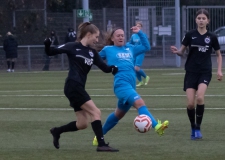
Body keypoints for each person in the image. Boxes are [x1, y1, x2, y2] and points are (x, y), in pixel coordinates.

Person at [45, 22, 119, 152]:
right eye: (96, 37)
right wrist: (47, 44)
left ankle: (57, 131)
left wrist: (113, 68)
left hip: (77, 87)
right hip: (73, 85)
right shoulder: (72, 46)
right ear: (88, 35)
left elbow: (105, 68)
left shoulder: (92, 53)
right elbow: (51, 52)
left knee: (82, 124)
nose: (97, 40)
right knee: (96, 112)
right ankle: (101, 144)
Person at [92, 26, 169, 146]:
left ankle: (99, 136)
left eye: (122, 35)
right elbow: (94, 58)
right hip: (121, 85)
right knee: (140, 104)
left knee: (118, 115)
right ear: (112, 38)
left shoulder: (130, 48)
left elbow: (146, 47)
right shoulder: (108, 49)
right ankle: (157, 126)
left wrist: (140, 33)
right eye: (118, 35)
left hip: (131, 86)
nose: (121, 37)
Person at [170, 9, 223, 140]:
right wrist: (177, 51)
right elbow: (182, 52)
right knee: (190, 104)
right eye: (199, 18)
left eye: (203, 18)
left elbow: (218, 55)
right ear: (196, 20)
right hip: (191, 72)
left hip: (205, 72)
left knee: (200, 98)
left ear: (208, 21)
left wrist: (219, 70)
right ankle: (193, 126)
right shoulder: (189, 35)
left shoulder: (212, 37)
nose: (201, 20)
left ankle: (198, 128)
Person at [127, 21, 150, 87]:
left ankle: (146, 77)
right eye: (137, 26)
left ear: (141, 28)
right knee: (134, 68)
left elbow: (146, 44)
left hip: (140, 53)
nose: (138, 27)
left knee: (136, 68)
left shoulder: (143, 35)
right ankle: (140, 81)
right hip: (135, 53)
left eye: (139, 26)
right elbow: (130, 43)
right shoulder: (133, 36)